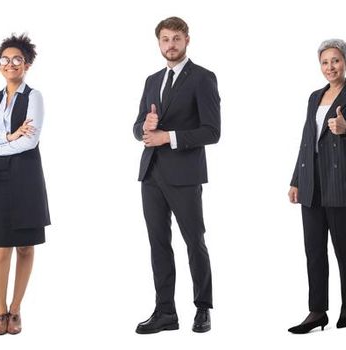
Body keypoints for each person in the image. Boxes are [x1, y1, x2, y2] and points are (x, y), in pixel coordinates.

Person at [132, 16, 221, 334]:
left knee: (194, 241)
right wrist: (143, 129)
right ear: (159, 43)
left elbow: (212, 131)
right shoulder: (152, 80)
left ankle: (202, 308)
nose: (170, 44)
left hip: (185, 174)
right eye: (165, 39)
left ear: (187, 40)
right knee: (158, 244)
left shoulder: (203, 78)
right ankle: (165, 311)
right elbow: (138, 125)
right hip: (151, 174)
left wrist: (167, 136)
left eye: (176, 38)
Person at [286, 38, 346, 334]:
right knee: (313, 249)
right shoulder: (314, 97)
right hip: (311, 182)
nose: (330, 67)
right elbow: (306, 139)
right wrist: (296, 180)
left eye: (335, 60)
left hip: (341, 181)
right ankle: (316, 311)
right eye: (325, 62)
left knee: (342, 245)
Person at [0, 33, 50, 336]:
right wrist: (6, 137)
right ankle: (0, 309)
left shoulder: (34, 97)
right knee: (1, 248)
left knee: (26, 247)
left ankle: (16, 309)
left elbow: (30, 141)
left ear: (26, 64)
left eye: (17, 59)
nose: (10, 64)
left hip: (26, 177)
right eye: (5, 59)